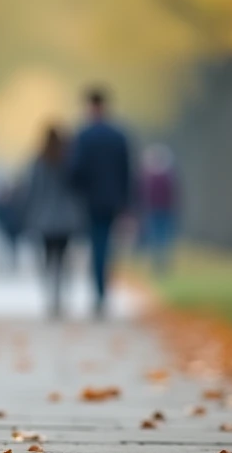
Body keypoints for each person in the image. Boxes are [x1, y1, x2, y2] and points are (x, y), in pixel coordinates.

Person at [68, 88, 132, 316]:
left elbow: (74, 170)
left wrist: (78, 191)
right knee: (105, 244)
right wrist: (126, 202)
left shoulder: (83, 136)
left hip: (90, 200)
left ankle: (99, 290)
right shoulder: (118, 136)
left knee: (97, 244)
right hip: (112, 199)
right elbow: (126, 171)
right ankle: (102, 288)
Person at [18, 126, 85, 319]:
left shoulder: (39, 162)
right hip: (66, 217)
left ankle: (51, 295)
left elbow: (32, 189)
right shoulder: (68, 160)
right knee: (63, 257)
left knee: (48, 257)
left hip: (45, 216)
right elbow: (78, 187)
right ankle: (60, 294)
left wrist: (29, 213)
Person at [138, 143, 178, 277]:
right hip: (161, 211)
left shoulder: (148, 176)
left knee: (157, 237)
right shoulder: (168, 177)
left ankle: (159, 263)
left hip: (157, 211)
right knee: (161, 238)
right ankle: (160, 263)